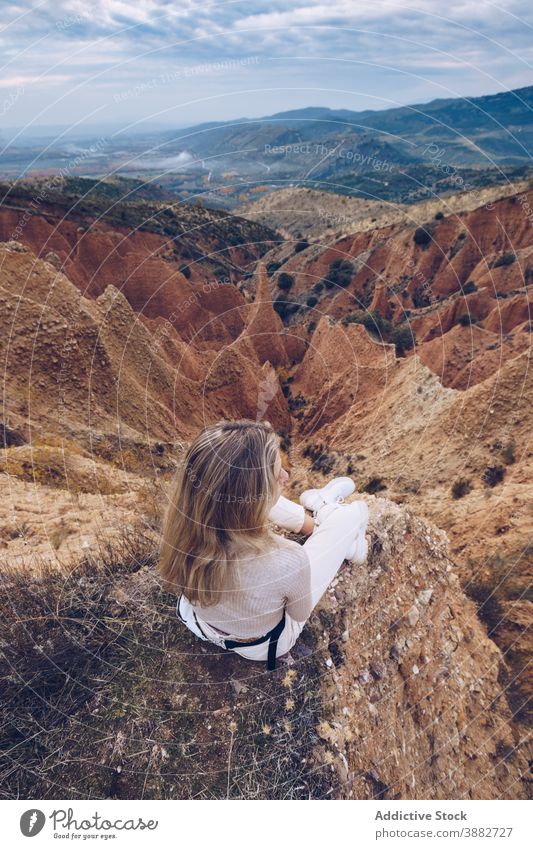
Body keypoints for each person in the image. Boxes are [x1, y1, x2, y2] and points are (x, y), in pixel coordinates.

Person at [159, 419, 369, 669]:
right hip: (262, 645)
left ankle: (314, 518)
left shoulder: (181, 531)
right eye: (277, 474)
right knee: (353, 513)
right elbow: (298, 615)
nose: (286, 476)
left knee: (236, 493)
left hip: (199, 623)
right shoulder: (288, 558)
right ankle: (329, 513)